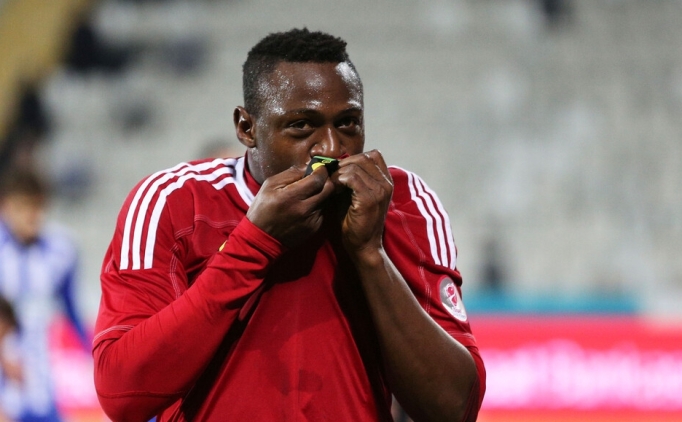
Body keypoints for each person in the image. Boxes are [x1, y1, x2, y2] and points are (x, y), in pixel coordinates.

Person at [93, 28, 486, 422]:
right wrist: (253, 243)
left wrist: (370, 254)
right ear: (246, 128)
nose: (331, 148)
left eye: (348, 123)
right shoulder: (173, 202)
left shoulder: (405, 201)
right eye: (302, 126)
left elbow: (454, 410)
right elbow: (122, 395)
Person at [0, 168, 90, 422]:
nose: (31, 216)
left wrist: (90, 354)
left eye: (36, 207)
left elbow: (72, 308)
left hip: (43, 379)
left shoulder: (61, 249)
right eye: (22, 208)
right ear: (6, 207)